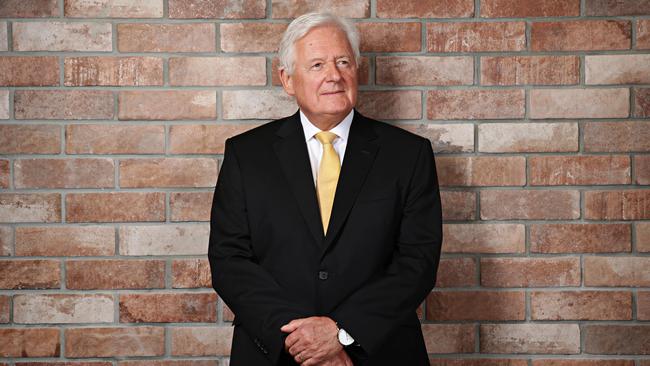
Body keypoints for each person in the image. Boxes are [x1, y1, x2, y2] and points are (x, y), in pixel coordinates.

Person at [208, 12, 442, 366]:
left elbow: (417, 262)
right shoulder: (246, 155)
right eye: (317, 64)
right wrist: (300, 340)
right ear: (287, 79)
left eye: (343, 62)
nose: (334, 75)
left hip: (378, 352)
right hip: (276, 353)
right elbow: (230, 261)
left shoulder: (408, 155)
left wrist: (342, 333)